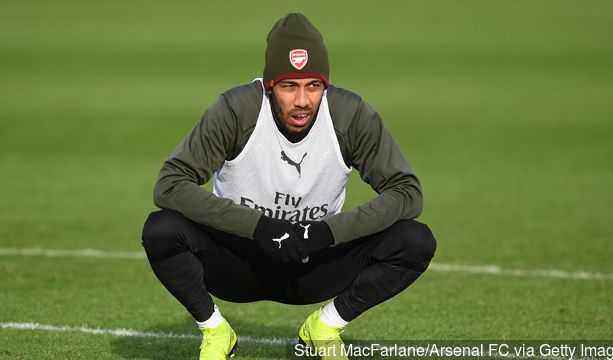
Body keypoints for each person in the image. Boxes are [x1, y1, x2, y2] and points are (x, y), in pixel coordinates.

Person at [141, 13, 437, 360]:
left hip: (313, 263)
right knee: (161, 230)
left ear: (325, 86)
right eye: (289, 86)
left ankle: (324, 328)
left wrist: (326, 232)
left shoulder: (350, 115)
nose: (302, 100)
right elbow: (170, 185)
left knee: (415, 241)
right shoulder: (237, 110)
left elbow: (407, 192)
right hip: (238, 260)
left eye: (313, 86)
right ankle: (216, 332)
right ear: (270, 87)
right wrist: (258, 226)